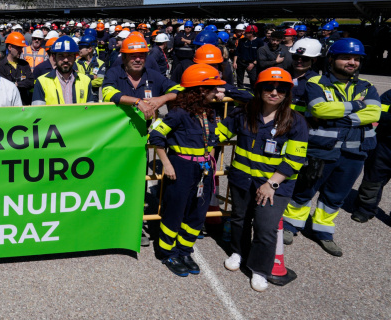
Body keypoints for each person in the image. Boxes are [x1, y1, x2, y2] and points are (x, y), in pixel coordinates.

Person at [282, 38, 380, 256]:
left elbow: (374, 113)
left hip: (355, 152)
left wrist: (339, 115)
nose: (352, 62)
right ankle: (290, 226)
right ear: (332, 59)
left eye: (356, 59)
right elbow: (319, 110)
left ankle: (323, 232)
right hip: (322, 148)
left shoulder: (367, 86)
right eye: (346, 58)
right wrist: (356, 106)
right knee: (305, 190)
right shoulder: (316, 83)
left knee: (336, 196)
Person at [216, 68, 308, 292]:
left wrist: (271, 184)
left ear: (288, 93)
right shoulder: (243, 112)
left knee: (265, 227)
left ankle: (259, 269)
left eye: (281, 89)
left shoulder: (296, 121)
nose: (274, 92)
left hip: (274, 186)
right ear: (258, 89)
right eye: (269, 87)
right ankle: (238, 251)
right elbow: (218, 134)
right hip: (242, 180)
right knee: (239, 219)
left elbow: (295, 159)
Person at [149, 64, 224, 277]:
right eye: (212, 89)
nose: (217, 92)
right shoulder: (179, 114)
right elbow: (156, 136)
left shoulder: (209, 112)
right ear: (200, 91)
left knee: (197, 212)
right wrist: (167, 163)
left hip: (204, 169)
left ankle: (184, 250)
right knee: (175, 212)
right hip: (181, 168)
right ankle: (167, 252)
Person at [103, 36, 182, 120]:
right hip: (119, 129)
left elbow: (180, 89)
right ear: (124, 58)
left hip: (146, 130)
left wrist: (162, 99)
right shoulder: (114, 73)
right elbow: (108, 93)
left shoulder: (154, 75)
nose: (138, 59)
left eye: (141, 56)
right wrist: (137, 102)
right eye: (133, 56)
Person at [351, 87, 391, 223]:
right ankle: (365, 209)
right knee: (373, 178)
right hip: (385, 144)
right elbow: (377, 113)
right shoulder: (390, 94)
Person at [32, 36, 94, 105]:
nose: (66, 60)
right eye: (61, 56)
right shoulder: (42, 82)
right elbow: (37, 112)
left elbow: (90, 112)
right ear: (54, 57)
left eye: (69, 55)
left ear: (75, 57)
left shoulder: (86, 81)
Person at [0, 32, 35, 105]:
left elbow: (31, 82)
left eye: (21, 48)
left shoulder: (24, 64)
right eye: (18, 48)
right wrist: (20, 84)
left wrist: (17, 84)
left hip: (24, 104)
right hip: (7, 105)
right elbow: (3, 87)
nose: (21, 50)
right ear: (9, 47)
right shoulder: (1, 66)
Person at [286, 38, 321, 113]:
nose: (299, 61)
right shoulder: (284, 75)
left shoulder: (317, 80)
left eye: (305, 58)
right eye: (295, 57)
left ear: (313, 60)